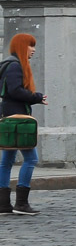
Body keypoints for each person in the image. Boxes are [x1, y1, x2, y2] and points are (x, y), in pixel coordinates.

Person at [0, 33, 47, 215]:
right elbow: (15, 90)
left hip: (9, 115)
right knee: (31, 158)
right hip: (17, 118)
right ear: (21, 46)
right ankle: (21, 204)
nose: (34, 50)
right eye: (30, 46)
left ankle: (3, 204)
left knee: (7, 160)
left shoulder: (7, 64)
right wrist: (36, 97)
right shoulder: (15, 66)